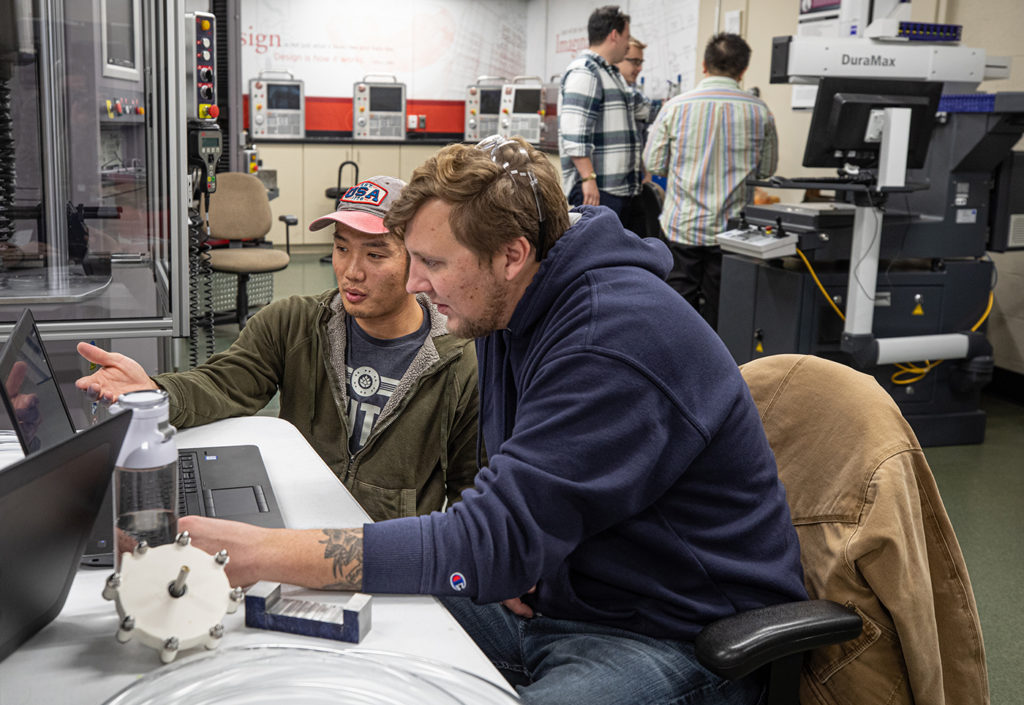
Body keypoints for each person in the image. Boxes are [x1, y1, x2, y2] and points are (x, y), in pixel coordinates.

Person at [178, 137, 806, 705]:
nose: (417, 284)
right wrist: (511, 555)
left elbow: (487, 540)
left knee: (301, 576)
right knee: (316, 627)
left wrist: (261, 549)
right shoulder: (506, 306)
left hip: (671, 630)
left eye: (434, 263)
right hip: (557, 591)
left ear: (512, 254)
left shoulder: (611, 340)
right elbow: (504, 503)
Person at [75, 176, 480, 522]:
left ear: (417, 260)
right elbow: (223, 385)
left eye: (375, 254)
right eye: (341, 248)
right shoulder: (293, 324)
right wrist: (154, 390)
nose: (352, 271)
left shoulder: (459, 362)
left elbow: (472, 488)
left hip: (389, 551)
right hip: (295, 524)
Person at [643, 32, 778, 330]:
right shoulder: (760, 111)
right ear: (743, 71)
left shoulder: (675, 108)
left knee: (678, 310)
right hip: (731, 233)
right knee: (723, 312)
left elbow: (653, 163)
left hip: (683, 228)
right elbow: (766, 170)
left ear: (704, 65)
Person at [558, 5, 644, 231]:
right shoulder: (586, 71)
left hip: (617, 189)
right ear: (614, 35)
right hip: (598, 190)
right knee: (600, 258)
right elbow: (575, 134)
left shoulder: (611, 74)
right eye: (626, 37)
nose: (627, 45)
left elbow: (639, 107)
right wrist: (588, 179)